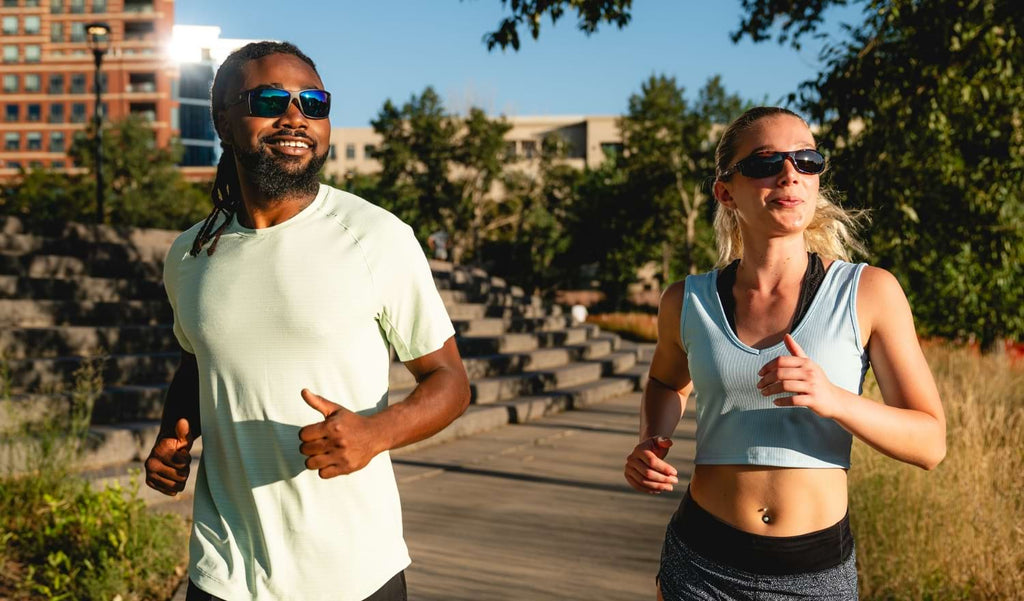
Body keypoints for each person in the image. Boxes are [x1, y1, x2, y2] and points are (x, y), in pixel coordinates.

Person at [143, 41, 471, 601]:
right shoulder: (190, 254)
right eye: (271, 99)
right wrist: (174, 435)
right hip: (223, 572)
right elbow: (198, 359)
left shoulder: (374, 236)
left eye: (313, 103)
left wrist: (375, 433)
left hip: (351, 572)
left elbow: (450, 381)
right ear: (223, 119)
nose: (296, 117)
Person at [624, 106, 946, 600]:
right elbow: (667, 383)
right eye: (765, 162)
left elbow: (930, 443)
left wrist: (833, 398)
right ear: (725, 191)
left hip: (814, 572)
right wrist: (652, 438)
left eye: (806, 160)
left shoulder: (868, 292)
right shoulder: (685, 300)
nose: (789, 173)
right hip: (701, 565)